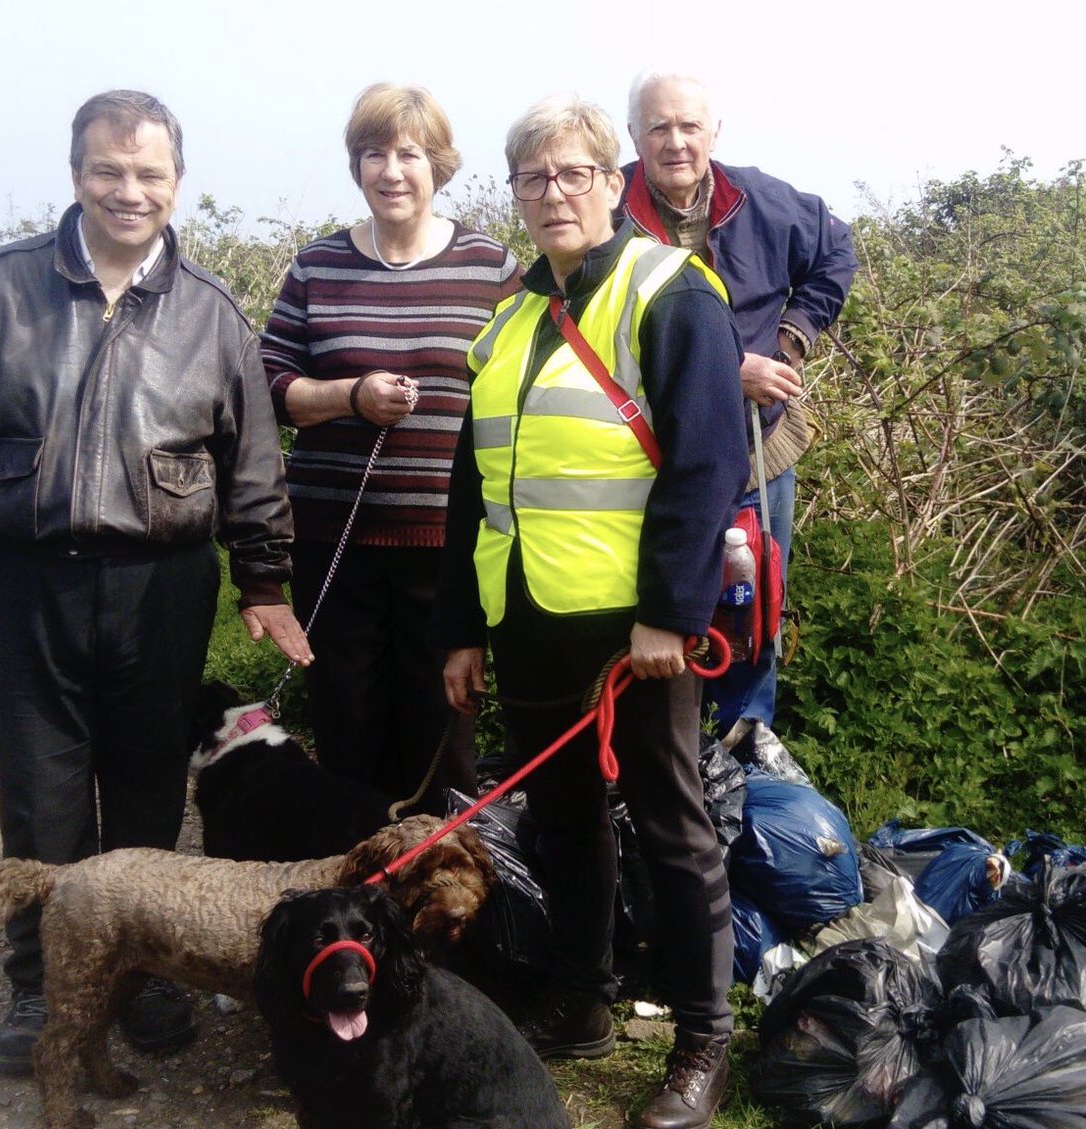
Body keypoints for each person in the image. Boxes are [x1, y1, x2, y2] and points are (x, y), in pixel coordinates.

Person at [0, 90, 312, 1076]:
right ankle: (41, 984)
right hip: (25, 581)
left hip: (160, 586)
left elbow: (250, 459)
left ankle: (142, 969)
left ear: (177, 182)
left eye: (149, 173)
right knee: (38, 800)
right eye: (108, 170)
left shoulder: (210, 311)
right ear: (75, 172)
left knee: (145, 796)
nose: (129, 190)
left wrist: (264, 578)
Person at [435, 95, 749, 1129]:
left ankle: (702, 1041)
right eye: (534, 178)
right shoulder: (510, 317)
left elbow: (707, 464)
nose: (554, 193)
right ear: (515, 193)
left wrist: (669, 610)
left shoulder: (672, 292)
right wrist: (463, 629)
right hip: (527, 612)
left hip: (635, 631)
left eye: (574, 174)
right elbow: (472, 484)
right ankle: (584, 997)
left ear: (611, 182)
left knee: (671, 821)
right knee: (564, 819)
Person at [260, 83, 521, 812]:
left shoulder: (492, 269)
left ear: (438, 165)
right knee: (347, 728)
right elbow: (269, 384)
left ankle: (442, 897)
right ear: (357, 167)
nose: (392, 171)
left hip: (450, 546)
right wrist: (350, 395)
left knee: (443, 731)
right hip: (334, 544)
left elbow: (524, 393)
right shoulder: (318, 267)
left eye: (409, 153)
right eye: (374, 153)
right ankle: (354, 896)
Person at [620, 70, 859, 735]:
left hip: (759, 444)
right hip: (647, 449)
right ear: (634, 134)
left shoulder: (759, 199)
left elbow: (836, 250)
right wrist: (731, 369)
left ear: (713, 133)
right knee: (666, 589)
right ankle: (672, 744)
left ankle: (746, 743)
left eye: (689, 126)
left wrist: (791, 340)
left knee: (752, 599)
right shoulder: (607, 206)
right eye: (659, 127)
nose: (675, 142)